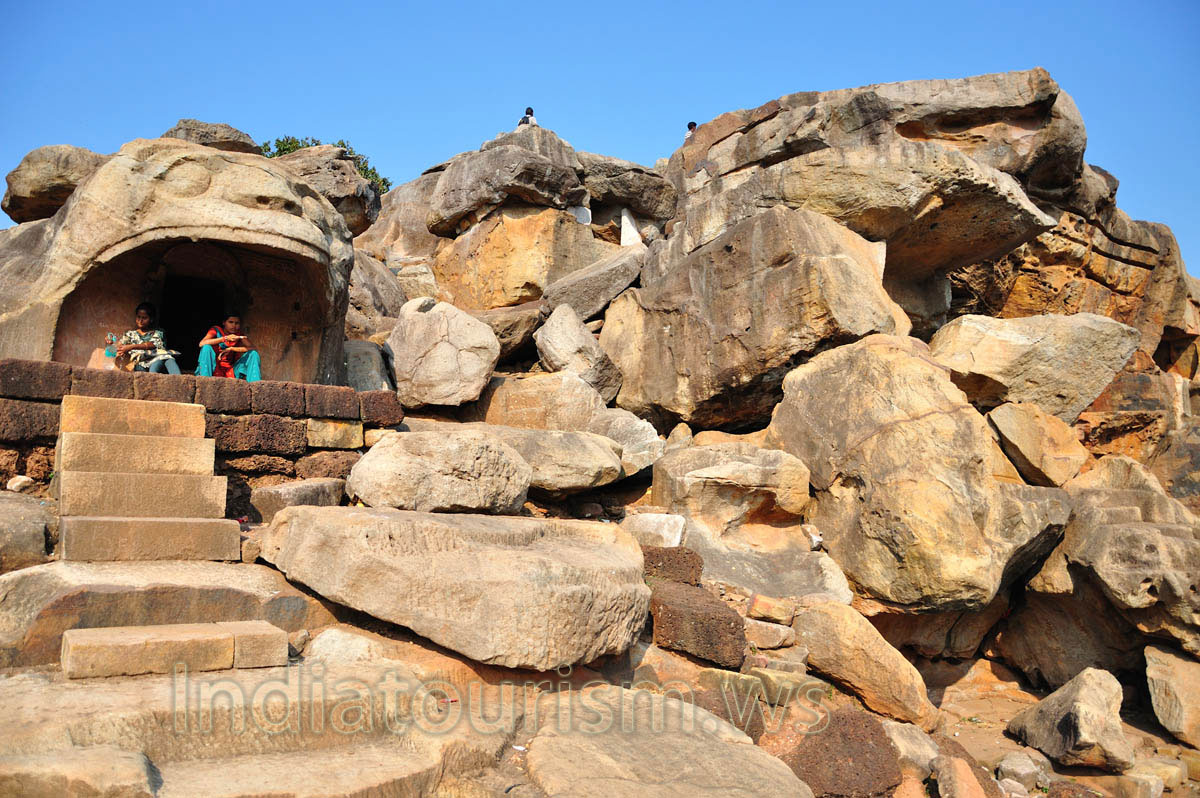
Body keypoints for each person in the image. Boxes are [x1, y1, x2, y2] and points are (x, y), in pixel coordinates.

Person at [116, 302, 181, 374]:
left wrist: (131, 347)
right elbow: (120, 345)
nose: (140, 320)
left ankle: (179, 379)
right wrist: (115, 344)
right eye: (138, 317)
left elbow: (153, 344)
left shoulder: (158, 332)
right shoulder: (130, 334)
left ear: (151, 319)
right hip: (139, 364)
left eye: (144, 318)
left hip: (155, 360)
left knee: (166, 359)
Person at [197, 313, 261, 382]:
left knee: (253, 353)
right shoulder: (216, 331)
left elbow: (254, 348)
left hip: (231, 372)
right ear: (224, 323)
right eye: (231, 322)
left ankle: (255, 383)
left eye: (237, 323)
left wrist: (232, 349)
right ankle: (205, 381)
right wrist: (225, 338)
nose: (234, 325)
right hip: (213, 369)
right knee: (206, 347)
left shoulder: (239, 335)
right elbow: (201, 343)